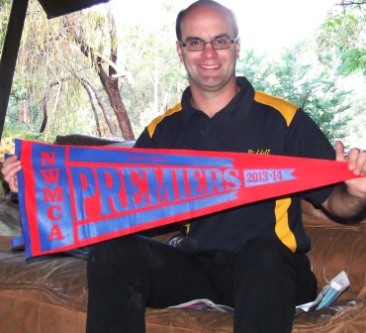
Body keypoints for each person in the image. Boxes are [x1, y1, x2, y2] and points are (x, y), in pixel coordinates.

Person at [2, 1, 366, 332]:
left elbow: (338, 204)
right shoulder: (163, 131)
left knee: (262, 254)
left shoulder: (284, 120)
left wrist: (355, 192)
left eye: (220, 40)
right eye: (195, 42)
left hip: (274, 271)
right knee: (114, 250)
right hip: (197, 267)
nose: (209, 52)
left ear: (237, 46)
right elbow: (107, 199)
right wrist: (35, 186)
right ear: (181, 51)